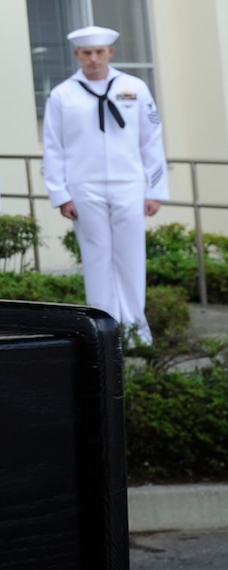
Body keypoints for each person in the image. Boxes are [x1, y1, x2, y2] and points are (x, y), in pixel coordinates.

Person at [41, 25, 166, 343]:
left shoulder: (134, 88)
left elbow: (151, 140)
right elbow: (53, 147)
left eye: (99, 52)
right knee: (96, 258)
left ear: (110, 52)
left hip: (129, 184)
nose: (93, 59)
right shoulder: (62, 95)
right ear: (77, 55)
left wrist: (154, 189)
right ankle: (104, 332)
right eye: (87, 53)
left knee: (131, 257)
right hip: (85, 186)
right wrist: (60, 193)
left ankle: (136, 332)